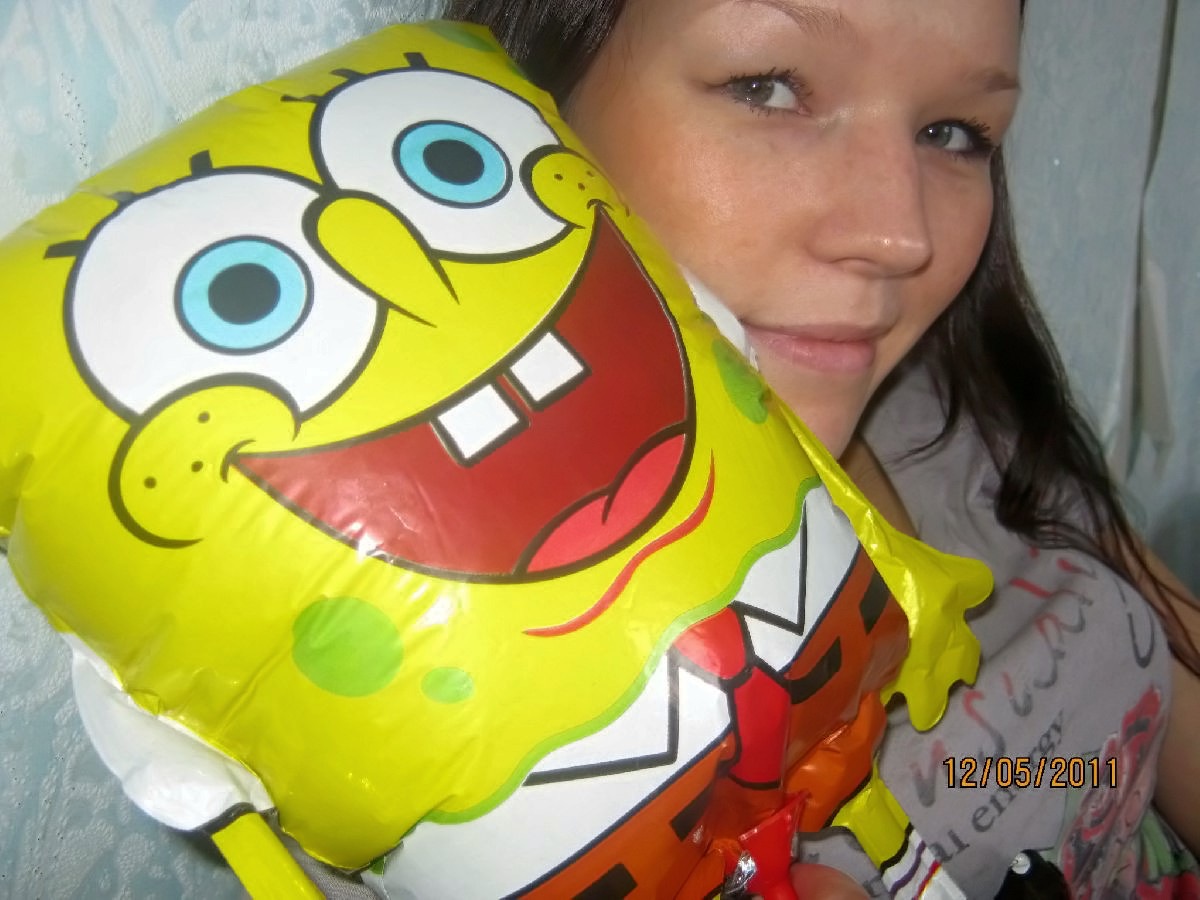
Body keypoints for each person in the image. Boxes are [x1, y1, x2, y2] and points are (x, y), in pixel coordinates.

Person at [439, 1, 1200, 897]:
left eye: (952, 132)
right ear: (523, 98)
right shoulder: (462, 723)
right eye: (767, 89)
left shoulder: (940, 397)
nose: (901, 237)